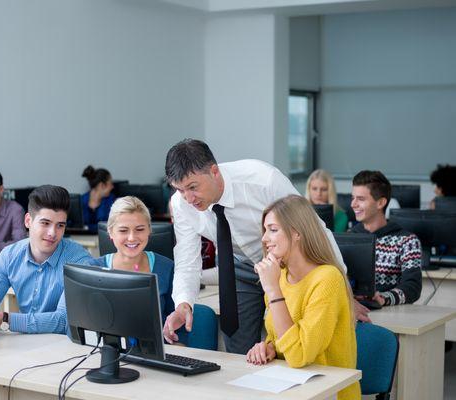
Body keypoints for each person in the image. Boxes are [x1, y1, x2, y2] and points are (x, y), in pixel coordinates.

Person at [162, 139, 355, 355]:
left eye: (193, 187)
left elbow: (313, 229)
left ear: (214, 172)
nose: (188, 198)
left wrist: (344, 290)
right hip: (237, 268)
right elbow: (187, 260)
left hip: (285, 268)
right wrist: (183, 304)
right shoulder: (181, 205)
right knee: (240, 350)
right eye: (180, 190)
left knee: (298, 343)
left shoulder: (263, 180)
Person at [246, 195, 360, 400]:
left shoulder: (328, 279)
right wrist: (269, 346)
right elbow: (282, 336)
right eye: (265, 230)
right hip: (290, 386)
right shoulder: (279, 277)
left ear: (296, 233)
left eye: (272, 229)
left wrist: (273, 291)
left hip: (328, 393)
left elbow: (299, 355)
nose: (264, 238)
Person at [0, 185, 94, 334]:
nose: (52, 233)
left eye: (60, 225)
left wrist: (3, 319)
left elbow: (63, 321)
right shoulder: (9, 255)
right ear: (28, 221)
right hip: (25, 344)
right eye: (45, 223)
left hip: (65, 348)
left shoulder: (80, 262)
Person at [91, 196, 175, 322]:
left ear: (149, 230)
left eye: (140, 229)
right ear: (110, 232)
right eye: (123, 230)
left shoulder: (166, 267)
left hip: (155, 341)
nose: (131, 238)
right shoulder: (92, 269)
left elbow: (179, 326)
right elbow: (77, 323)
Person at [350, 170, 422, 306]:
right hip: (353, 313)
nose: (353, 204)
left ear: (380, 203)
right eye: (352, 198)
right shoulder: (350, 237)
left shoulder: (408, 242)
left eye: (360, 199)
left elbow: (413, 287)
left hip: (391, 313)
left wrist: (384, 298)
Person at [81, 165, 115, 231]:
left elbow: (110, 225)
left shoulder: (112, 201)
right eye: (110, 183)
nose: (112, 187)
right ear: (101, 185)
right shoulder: (81, 201)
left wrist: (87, 227)